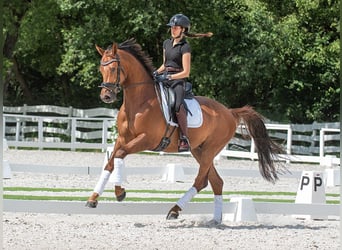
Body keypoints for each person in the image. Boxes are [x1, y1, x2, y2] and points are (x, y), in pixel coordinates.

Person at [153, 14, 212, 152]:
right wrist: (156, 73)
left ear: (183, 30)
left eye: (176, 27)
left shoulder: (185, 47)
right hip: (164, 77)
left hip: (177, 80)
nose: (173, 30)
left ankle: (184, 138)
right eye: (172, 27)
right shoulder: (166, 43)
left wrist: (170, 78)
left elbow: (186, 72)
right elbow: (164, 64)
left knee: (177, 106)